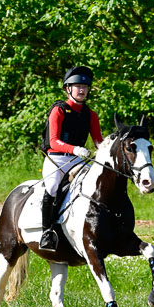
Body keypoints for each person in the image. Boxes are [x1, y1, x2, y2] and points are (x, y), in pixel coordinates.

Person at [39, 65, 103, 251]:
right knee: (51, 187)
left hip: (78, 160)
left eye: (85, 87)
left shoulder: (91, 115)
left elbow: (98, 142)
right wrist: (75, 149)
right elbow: (53, 141)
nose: (82, 90)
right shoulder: (58, 110)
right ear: (69, 89)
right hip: (56, 160)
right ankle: (47, 232)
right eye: (78, 87)